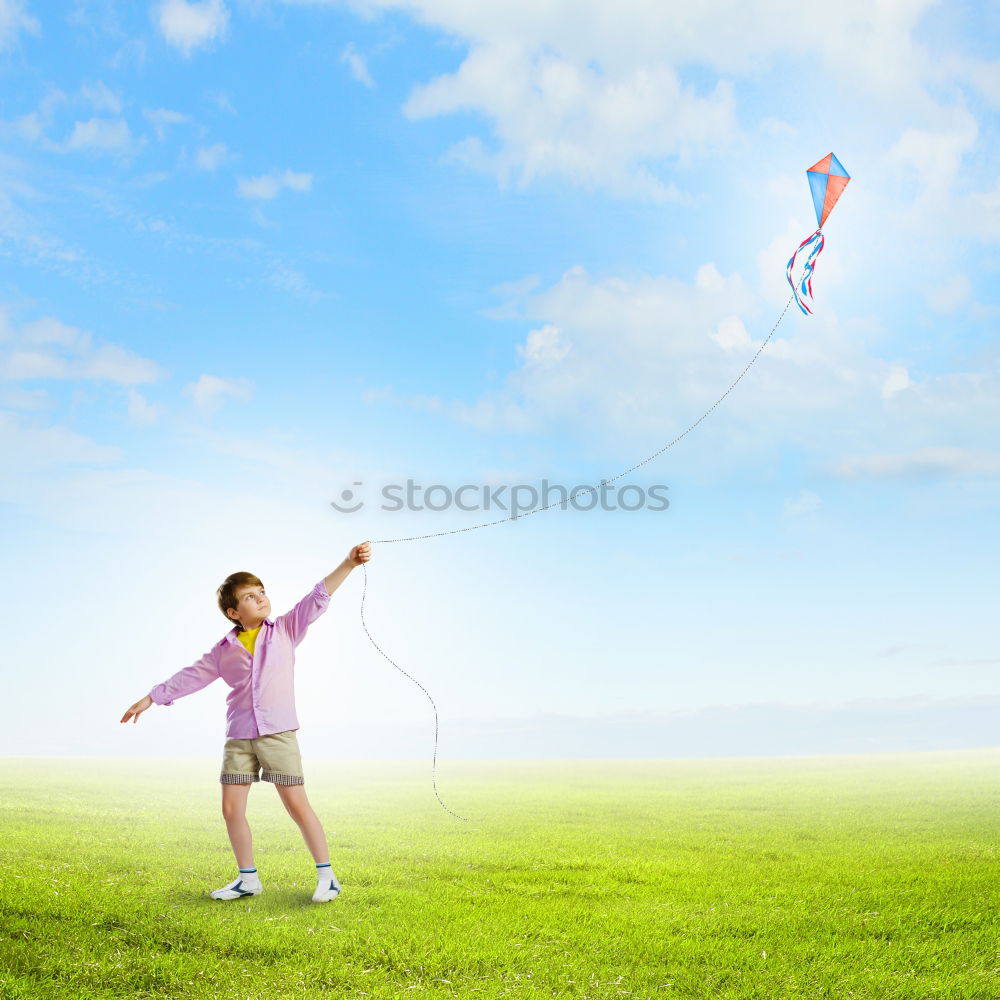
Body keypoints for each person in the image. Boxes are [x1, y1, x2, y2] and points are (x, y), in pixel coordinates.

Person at [120, 541, 372, 903]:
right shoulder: (223, 651)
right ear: (234, 611)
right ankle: (247, 879)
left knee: (297, 805)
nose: (261, 599)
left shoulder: (286, 628)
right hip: (238, 736)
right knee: (230, 809)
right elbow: (191, 676)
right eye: (251, 597)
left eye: (262, 592)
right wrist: (150, 698)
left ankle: (327, 877)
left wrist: (348, 564)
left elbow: (317, 596)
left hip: (278, 734)